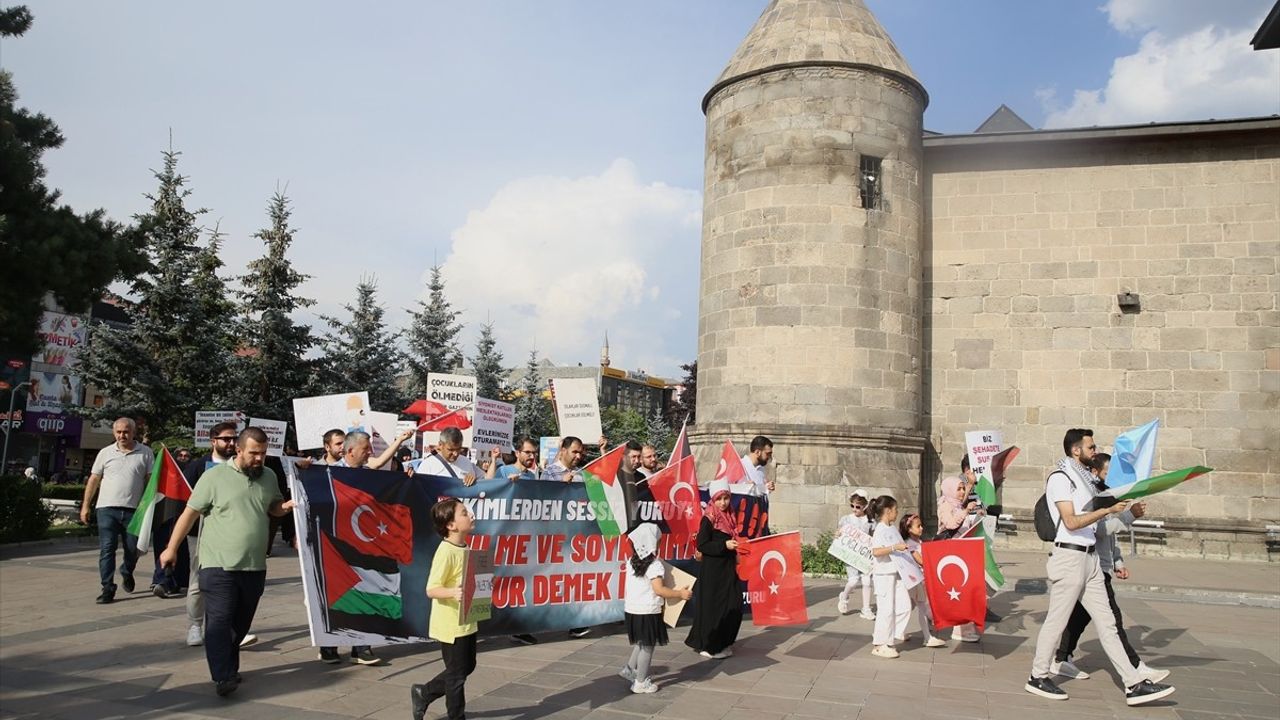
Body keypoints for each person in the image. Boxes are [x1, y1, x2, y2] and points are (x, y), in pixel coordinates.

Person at [1024, 428, 1175, 706]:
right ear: (1075, 450)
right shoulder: (1061, 479)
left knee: (1108, 623)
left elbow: (1098, 526)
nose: (1095, 451)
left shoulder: (1087, 482)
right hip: (1069, 557)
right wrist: (1106, 510)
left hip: (1091, 558)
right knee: (1057, 621)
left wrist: (1120, 513)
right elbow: (1071, 521)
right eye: (1090, 447)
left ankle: (1133, 684)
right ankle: (1038, 675)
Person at [159, 427, 295, 697]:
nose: (259, 459)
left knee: (239, 625)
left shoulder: (268, 476)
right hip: (217, 564)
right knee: (220, 621)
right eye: (254, 453)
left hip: (254, 566)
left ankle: (229, 669)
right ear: (239, 449)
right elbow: (190, 513)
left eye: (263, 453)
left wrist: (287, 507)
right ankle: (222, 676)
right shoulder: (214, 477)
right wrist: (171, 548)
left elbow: (273, 507)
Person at [1052, 452, 1168, 683]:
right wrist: (1128, 516)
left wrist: (1117, 561)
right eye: (1107, 473)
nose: (1111, 478)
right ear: (1095, 472)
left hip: (1099, 565)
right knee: (1112, 621)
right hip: (1090, 565)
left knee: (1078, 617)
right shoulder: (1094, 496)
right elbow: (1099, 530)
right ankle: (1135, 668)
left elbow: (1109, 541)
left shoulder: (1108, 495)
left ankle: (1060, 658)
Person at [310, 428, 411, 666]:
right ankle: (328, 646)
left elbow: (381, 475)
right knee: (334, 592)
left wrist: (405, 479)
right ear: (351, 450)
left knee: (367, 591)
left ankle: (362, 646)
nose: (369, 453)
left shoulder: (369, 476)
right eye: (366, 449)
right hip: (334, 543)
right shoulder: (326, 473)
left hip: (363, 546)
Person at [181, 421, 256, 648]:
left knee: (234, 583)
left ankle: (233, 629)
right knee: (198, 580)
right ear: (213, 441)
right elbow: (187, 502)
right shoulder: (197, 467)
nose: (231, 443)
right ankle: (195, 626)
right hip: (201, 533)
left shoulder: (242, 465)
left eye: (234, 438)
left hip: (233, 535)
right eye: (226, 439)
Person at [412, 497, 479, 720]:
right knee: (457, 677)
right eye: (463, 513)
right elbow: (432, 589)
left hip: (467, 619)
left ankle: (424, 692)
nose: (470, 516)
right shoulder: (446, 551)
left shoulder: (465, 547)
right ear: (451, 525)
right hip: (451, 624)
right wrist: (453, 592)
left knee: (466, 667)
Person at [81, 417, 153, 604]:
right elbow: (94, 480)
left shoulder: (145, 453)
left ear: (133, 432)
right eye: (119, 432)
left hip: (134, 511)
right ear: (114, 433)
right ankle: (107, 588)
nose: (122, 435)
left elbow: (150, 482)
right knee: (107, 549)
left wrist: (149, 508)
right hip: (106, 509)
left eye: (126, 432)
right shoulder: (105, 453)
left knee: (132, 549)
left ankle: (127, 571)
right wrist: (85, 506)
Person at [619, 523, 692, 694]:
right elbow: (659, 589)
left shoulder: (631, 561)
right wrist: (680, 594)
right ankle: (640, 682)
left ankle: (630, 669)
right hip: (648, 611)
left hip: (632, 609)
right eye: (658, 541)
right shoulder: (654, 565)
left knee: (641, 641)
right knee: (648, 646)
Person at [685, 479, 744, 659]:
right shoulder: (709, 518)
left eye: (726, 498)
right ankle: (709, 646)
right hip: (713, 572)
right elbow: (703, 544)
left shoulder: (730, 517)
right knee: (714, 608)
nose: (723, 503)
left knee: (734, 605)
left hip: (727, 569)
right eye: (719, 499)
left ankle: (724, 641)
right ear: (713, 500)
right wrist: (724, 545)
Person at [936, 475, 981, 642]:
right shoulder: (945, 505)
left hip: (962, 552)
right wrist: (966, 511)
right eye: (959, 489)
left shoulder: (956, 504)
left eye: (963, 488)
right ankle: (960, 629)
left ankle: (963, 626)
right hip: (950, 554)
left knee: (965, 591)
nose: (962, 492)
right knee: (960, 592)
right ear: (949, 490)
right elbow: (950, 523)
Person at [869, 494, 911, 659]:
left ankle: (894, 634)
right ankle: (880, 644)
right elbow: (876, 551)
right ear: (887, 511)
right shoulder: (879, 529)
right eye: (895, 510)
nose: (897, 512)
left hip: (896, 571)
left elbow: (901, 547)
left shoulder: (892, 528)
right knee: (886, 610)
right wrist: (894, 547)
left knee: (904, 606)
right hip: (883, 573)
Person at [900, 513, 947, 648]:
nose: (921, 528)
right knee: (919, 607)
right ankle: (927, 637)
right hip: (915, 580)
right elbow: (921, 560)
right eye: (918, 526)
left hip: (917, 580)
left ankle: (899, 632)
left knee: (911, 607)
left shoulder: (917, 542)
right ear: (909, 529)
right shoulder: (910, 544)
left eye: (921, 525)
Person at [836, 489, 876, 620]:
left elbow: (873, 536)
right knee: (853, 581)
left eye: (857, 507)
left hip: (864, 554)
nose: (854, 509)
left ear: (865, 506)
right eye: (852, 506)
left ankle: (866, 609)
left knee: (866, 581)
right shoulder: (847, 519)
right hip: (851, 554)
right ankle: (844, 596)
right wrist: (838, 534)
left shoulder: (870, 521)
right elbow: (839, 532)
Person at [415, 427, 498, 486]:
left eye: (458, 449)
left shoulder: (466, 462)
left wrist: (494, 459)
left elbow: (488, 481)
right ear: (440, 445)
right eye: (450, 450)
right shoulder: (428, 465)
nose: (455, 453)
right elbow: (418, 489)